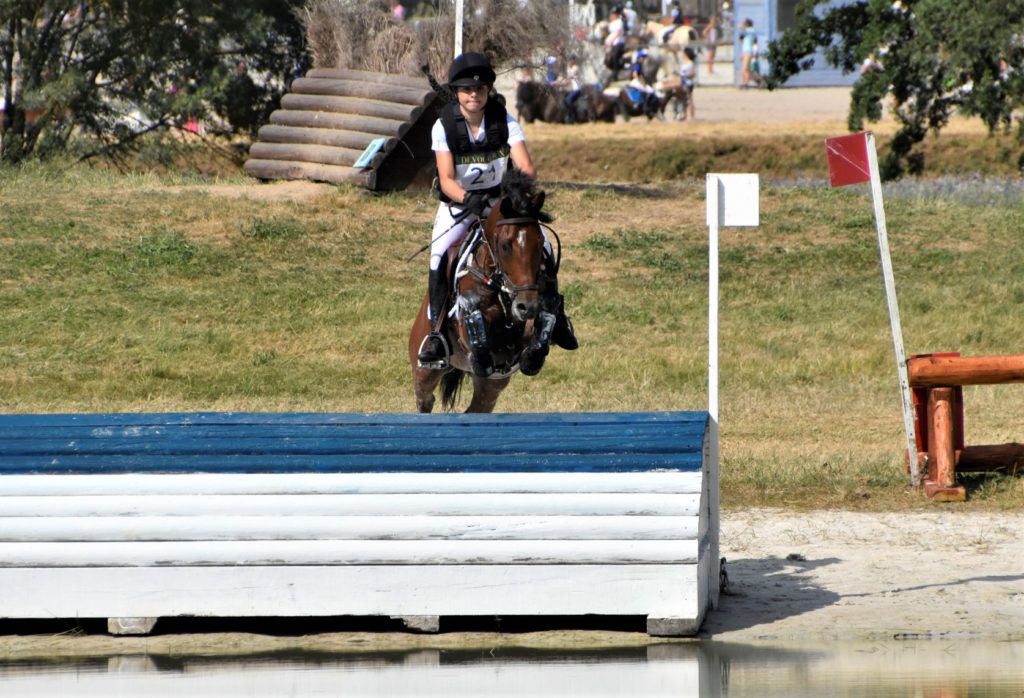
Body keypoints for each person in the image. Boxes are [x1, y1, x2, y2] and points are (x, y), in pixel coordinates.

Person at [417, 52, 578, 367]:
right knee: (439, 256)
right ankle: (436, 334)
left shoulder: (505, 121)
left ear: (488, 90)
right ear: (456, 93)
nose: (474, 95)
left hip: (500, 203)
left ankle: (556, 317)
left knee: (542, 245)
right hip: (459, 205)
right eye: (466, 90)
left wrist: (514, 190)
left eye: (479, 89)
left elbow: (526, 166)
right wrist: (467, 199)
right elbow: (446, 179)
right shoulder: (444, 126)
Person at [738, 18, 756, 88]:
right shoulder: (745, 33)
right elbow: (742, 42)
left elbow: (741, 27)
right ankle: (757, 80)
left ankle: (745, 83)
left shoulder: (751, 30)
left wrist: (742, 26)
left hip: (749, 51)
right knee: (747, 69)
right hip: (745, 51)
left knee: (744, 69)